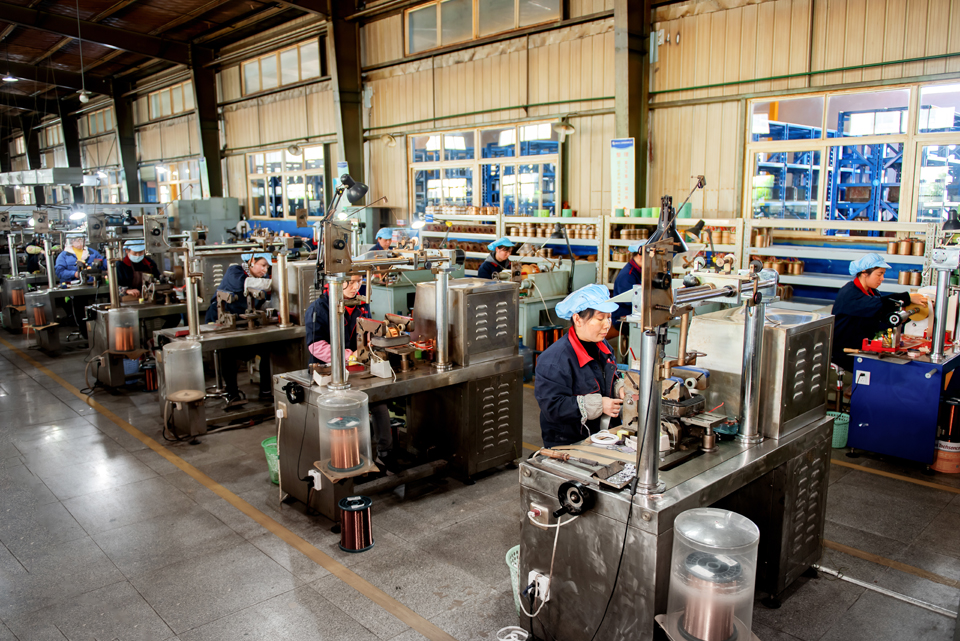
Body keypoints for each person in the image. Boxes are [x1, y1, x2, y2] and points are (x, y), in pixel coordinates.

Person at [305, 275, 392, 464]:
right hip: (329, 371)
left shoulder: (361, 304)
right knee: (345, 412)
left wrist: (372, 344)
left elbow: (367, 330)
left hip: (357, 369)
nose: (355, 286)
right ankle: (349, 459)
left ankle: (385, 454)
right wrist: (348, 355)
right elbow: (315, 346)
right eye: (350, 282)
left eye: (359, 281)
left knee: (379, 402)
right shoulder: (319, 308)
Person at [535, 284, 626, 448]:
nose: (607, 325)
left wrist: (619, 387)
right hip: (568, 442)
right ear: (577, 319)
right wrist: (599, 405)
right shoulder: (554, 360)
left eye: (609, 317)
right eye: (600, 319)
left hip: (599, 435)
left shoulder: (603, 346)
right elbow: (553, 407)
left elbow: (609, 375)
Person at [831, 253, 928, 371]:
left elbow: (879, 318)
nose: (882, 278)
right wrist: (907, 297)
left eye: (883, 274)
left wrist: (904, 317)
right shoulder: (849, 293)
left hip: (865, 345)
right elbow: (877, 305)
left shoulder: (872, 292)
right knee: (883, 372)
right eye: (879, 274)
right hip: (844, 350)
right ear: (864, 273)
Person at [204, 253, 274, 406]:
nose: (265, 270)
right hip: (222, 319)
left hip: (244, 321)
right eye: (263, 265)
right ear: (251, 261)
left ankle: (266, 391)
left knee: (265, 349)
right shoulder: (234, 271)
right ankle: (233, 393)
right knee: (228, 352)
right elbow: (243, 284)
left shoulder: (261, 279)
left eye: (268, 267)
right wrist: (274, 282)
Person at [116, 240, 180, 329]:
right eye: (135, 253)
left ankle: (160, 336)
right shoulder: (120, 264)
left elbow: (157, 279)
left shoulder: (149, 262)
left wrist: (163, 285)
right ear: (127, 251)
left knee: (174, 317)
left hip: (149, 300)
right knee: (129, 325)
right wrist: (127, 290)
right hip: (129, 302)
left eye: (140, 252)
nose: (138, 255)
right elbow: (114, 287)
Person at [54, 234, 104, 339]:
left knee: (99, 307)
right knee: (80, 308)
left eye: (82, 240)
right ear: (71, 241)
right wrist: (74, 274)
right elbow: (59, 271)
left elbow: (103, 263)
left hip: (92, 286)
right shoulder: (64, 255)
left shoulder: (92, 252)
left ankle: (100, 332)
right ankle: (85, 334)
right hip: (74, 287)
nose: (80, 242)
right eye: (77, 240)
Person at [611, 241, 645, 327]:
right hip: (623, 318)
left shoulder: (639, 270)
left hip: (635, 314)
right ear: (640, 255)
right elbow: (630, 301)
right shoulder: (628, 275)